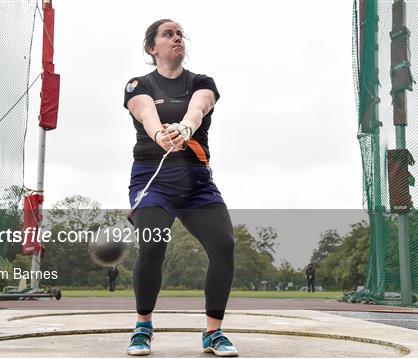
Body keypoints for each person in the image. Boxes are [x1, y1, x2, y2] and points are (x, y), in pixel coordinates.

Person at [122, 19, 238, 357]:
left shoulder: (202, 82)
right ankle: (143, 325)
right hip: (152, 181)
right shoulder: (138, 84)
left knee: (224, 246)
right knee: (154, 246)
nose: (176, 38)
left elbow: (199, 108)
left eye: (179, 34)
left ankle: (213, 333)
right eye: (167, 34)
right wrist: (160, 135)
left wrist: (186, 128)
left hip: (197, 183)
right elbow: (146, 114)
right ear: (151, 48)